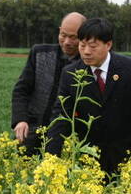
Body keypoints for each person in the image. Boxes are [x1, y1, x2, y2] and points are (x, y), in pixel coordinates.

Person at [46, 17, 131, 174]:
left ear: (108, 45)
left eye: (93, 46)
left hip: (128, 160)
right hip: (88, 162)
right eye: (82, 45)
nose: (86, 52)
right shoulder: (70, 74)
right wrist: (51, 160)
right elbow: (60, 118)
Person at [11, 12, 86, 154]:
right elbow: (21, 90)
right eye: (63, 35)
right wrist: (20, 120)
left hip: (68, 138)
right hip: (33, 130)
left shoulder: (88, 64)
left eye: (73, 37)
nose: (67, 42)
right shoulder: (39, 53)